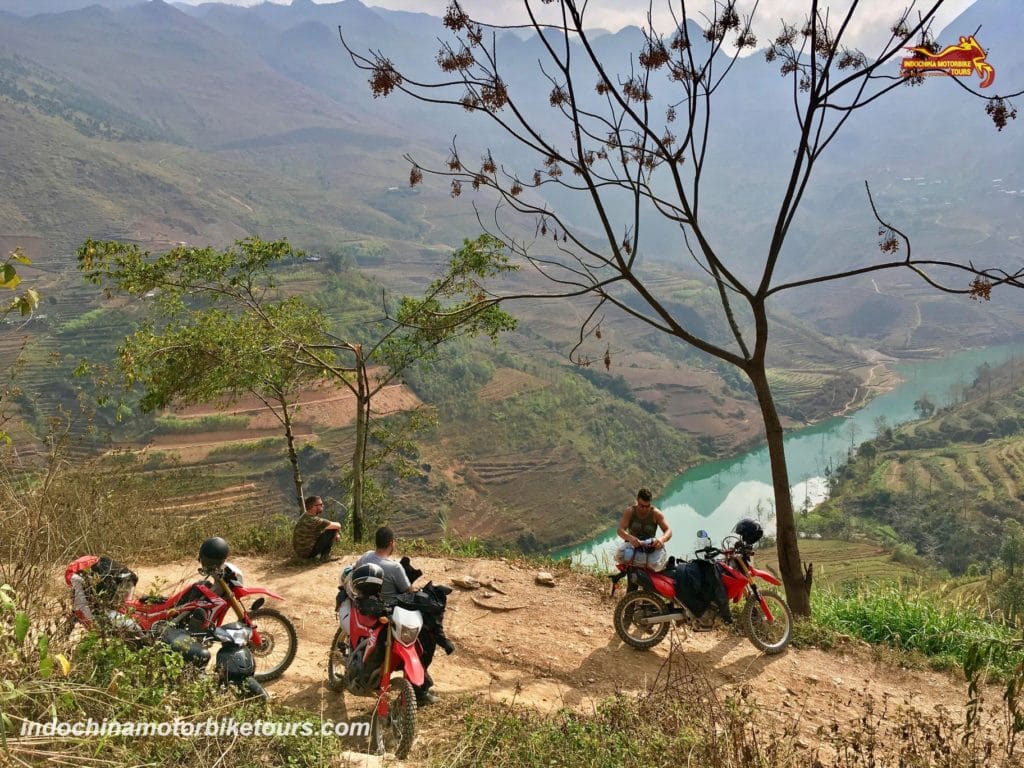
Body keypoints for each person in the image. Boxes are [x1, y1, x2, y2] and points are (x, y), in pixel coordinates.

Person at [352, 526, 451, 706]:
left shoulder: (366, 556)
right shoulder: (395, 567)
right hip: (392, 613)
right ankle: (420, 689)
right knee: (426, 642)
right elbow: (408, 590)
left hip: (368, 608)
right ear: (391, 543)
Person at [64, 555, 141, 633]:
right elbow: (81, 605)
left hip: (115, 581)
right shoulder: (82, 574)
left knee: (114, 614)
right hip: (126, 578)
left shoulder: (75, 576)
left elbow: (81, 605)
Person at [615, 487, 672, 571]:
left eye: (647, 506)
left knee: (655, 565)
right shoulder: (630, 511)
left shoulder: (656, 514)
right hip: (633, 546)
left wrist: (661, 540)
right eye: (642, 506)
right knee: (619, 556)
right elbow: (620, 530)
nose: (644, 509)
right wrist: (630, 538)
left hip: (650, 547)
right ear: (637, 500)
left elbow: (668, 531)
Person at [292, 495, 341, 563]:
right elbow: (338, 525)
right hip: (308, 553)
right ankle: (325, 557)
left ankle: (321, 557)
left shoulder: (305, 516)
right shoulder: (313, 520)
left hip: (301, 552)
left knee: (330, 528)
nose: (323, 506)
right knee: (332, 529)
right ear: (313, 507)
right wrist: (336, 532)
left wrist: (337, 532)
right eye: (320, 504)